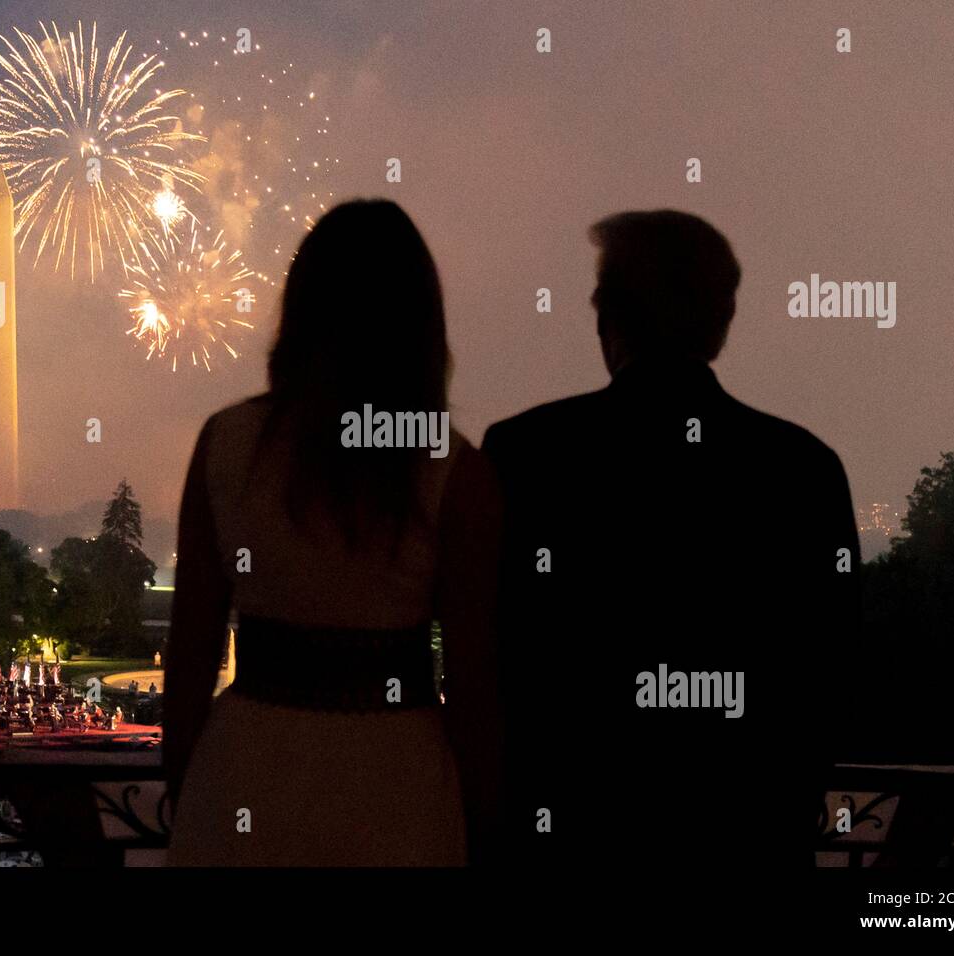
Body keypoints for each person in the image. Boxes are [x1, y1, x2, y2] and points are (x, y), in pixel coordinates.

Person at [483, 210, 860, 875]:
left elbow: (497, 655)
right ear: (721, 324)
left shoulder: (525, 454)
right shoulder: (803, 468)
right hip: (744, 839)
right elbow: (831, 669)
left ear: (608, 317)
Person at [165, 199, 503, 866]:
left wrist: (189, 782)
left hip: (246, 772)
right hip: (396, 785)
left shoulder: (225, 445)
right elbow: (474, 687)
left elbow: (190, 654)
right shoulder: (457, 474)